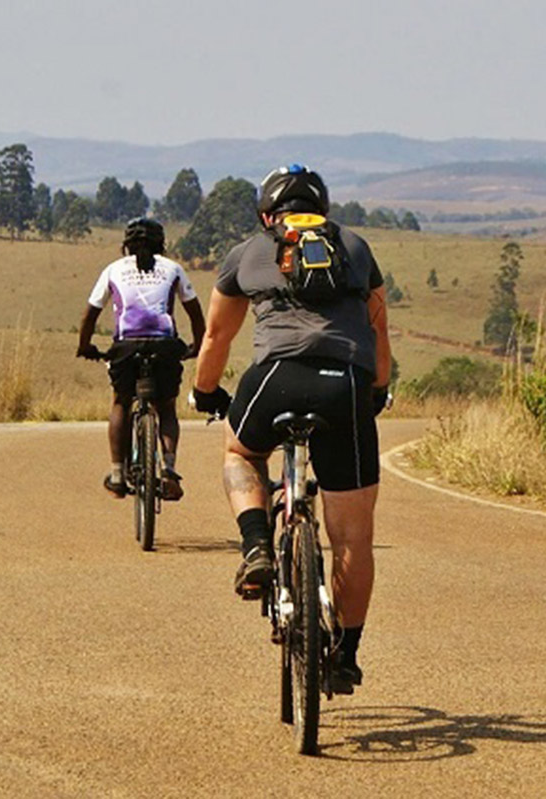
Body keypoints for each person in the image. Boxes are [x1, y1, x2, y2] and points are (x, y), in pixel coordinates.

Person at [191, 165, 391, 694]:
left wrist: (204, 392)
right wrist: (376, 391)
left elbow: (216, 337)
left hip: (277, 377)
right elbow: (378, 330)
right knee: (353, 537)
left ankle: (257, 545)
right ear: (322, 208)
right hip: (347, 383)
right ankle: (345, 655)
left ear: (266, 213)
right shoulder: (357, 247)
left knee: (240, 452)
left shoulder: (249, 252)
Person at [77, 217, 206, 500]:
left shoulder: (113, 270)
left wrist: (85, 346)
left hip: (125, 347)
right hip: (165, 347)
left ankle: (117, 474)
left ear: (126, 245)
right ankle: (169, 469)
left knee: (121, 402)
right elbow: (196, 314)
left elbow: (90, 314)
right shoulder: (173, 269)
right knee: (166, 408)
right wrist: (196, 346)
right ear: (161, 244)